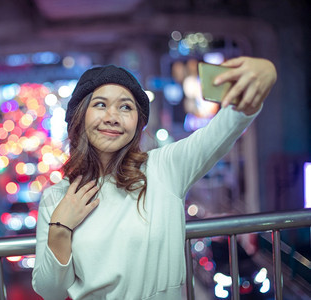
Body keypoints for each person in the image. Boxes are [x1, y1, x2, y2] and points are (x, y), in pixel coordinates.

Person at [32, 56, 277, 300]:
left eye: (126, 107)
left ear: (138, 122)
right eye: (100, 105)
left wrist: (266, 70)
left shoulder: (164, 168)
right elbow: (51, 291)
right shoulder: (56, 197)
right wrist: (60, 228)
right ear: (80, 115)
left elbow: (227, 126)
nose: (113, 117)